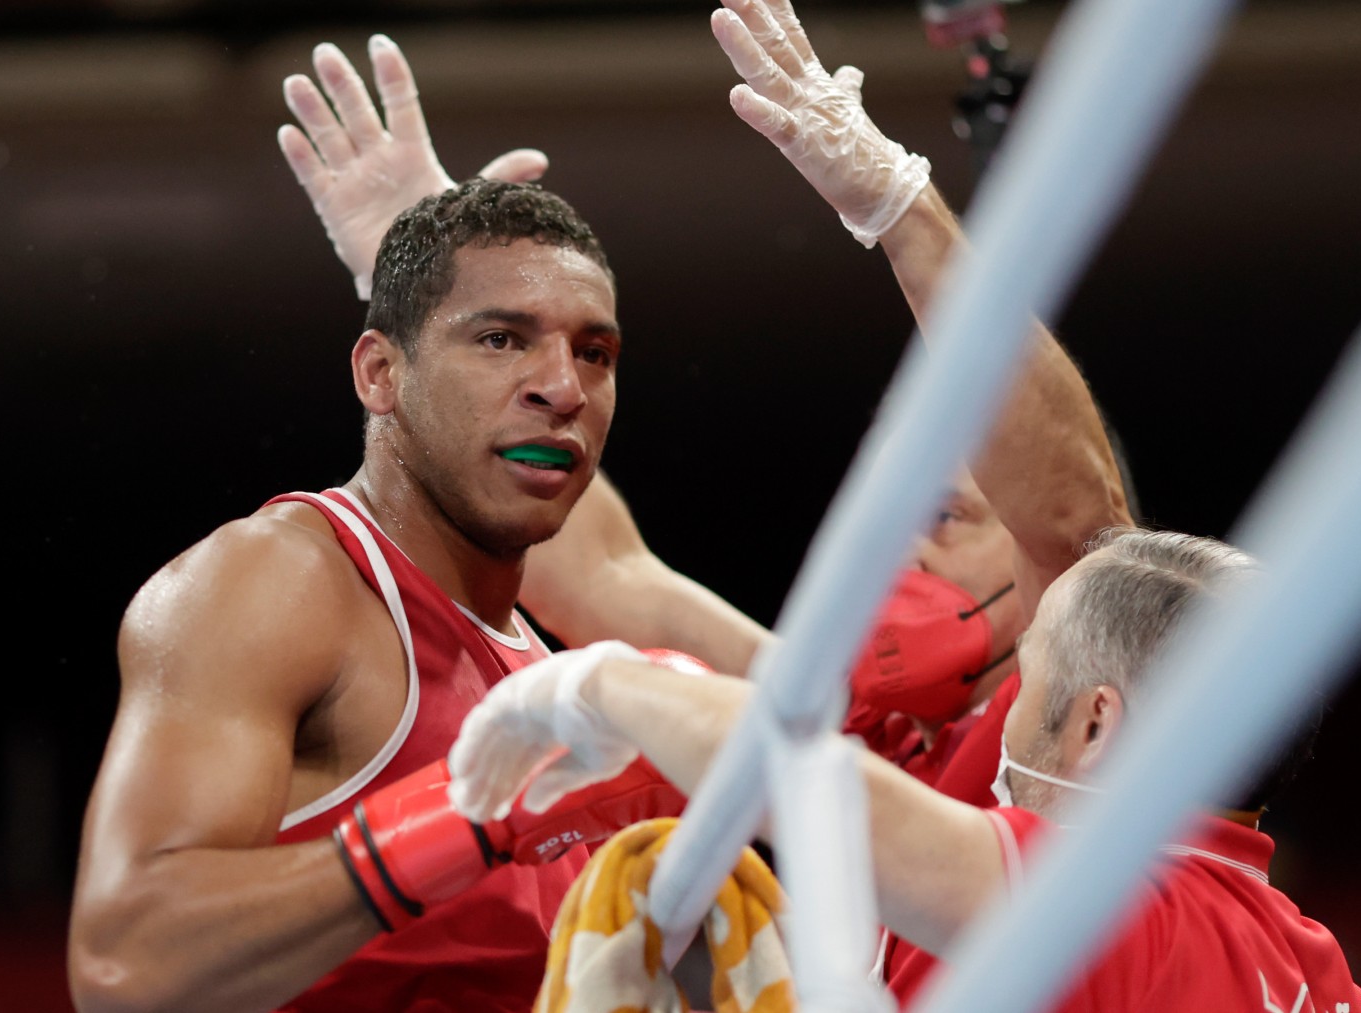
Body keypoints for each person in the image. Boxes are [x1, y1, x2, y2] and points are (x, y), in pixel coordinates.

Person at [275, 0, 1131, 806]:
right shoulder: (855, 727)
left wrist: (900, 206)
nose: (901, 551)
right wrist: (425, 295)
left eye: (945, 517)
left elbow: (1077, 526)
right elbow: (601, 575)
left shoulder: (1090, 721)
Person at [67, 121, 695, 1013]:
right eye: (502, 339)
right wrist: (469, 816)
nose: (563, 386)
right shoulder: (279, 579)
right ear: (379, 375)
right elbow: (126, 967)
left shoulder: (549, 683)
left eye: (594, 353)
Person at [444, 527, 1361, 1011]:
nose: (1003, 711)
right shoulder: (1323, 973)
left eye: (1030, 680)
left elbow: (812, 785)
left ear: (1097, 724)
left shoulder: (1119, 901)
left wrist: (606, 684)